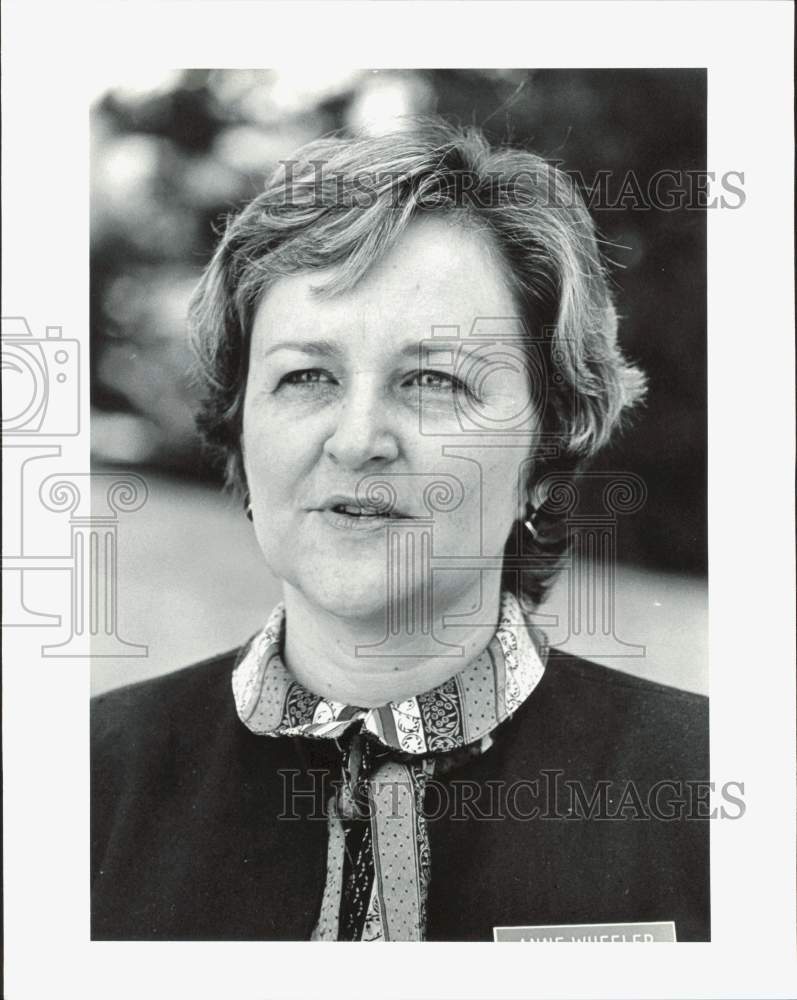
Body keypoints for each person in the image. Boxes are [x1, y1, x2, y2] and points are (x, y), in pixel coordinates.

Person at [91, 118, 709, 942]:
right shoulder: (75, 784)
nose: (357, 438)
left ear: (547, 440)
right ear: (239, 426)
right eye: (306, 375)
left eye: (433, 380)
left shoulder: (715, 790)